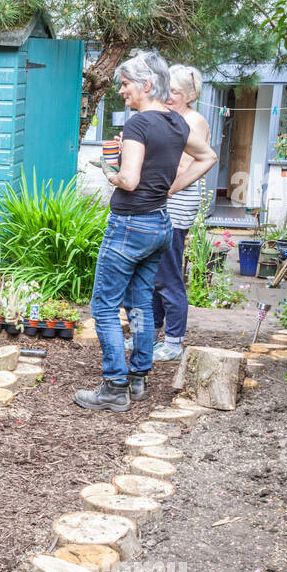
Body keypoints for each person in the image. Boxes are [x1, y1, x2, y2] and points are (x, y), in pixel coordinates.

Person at [74, 52, 217, 411]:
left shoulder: (139, 124)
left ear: (147, 84)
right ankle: (137, 377)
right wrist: (171, 188)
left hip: (128, 226)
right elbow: (208, 157)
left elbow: (129, 179)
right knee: (139, 304)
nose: (121, 91)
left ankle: (114, 386)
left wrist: (109, 170)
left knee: (104, 308)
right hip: (159, 224)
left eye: (125, 84)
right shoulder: (177, 123)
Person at [132, 64, 212, 362]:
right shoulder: (169, 117)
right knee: (151, 274)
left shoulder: (194, 121)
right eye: (168, 90)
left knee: (167, 275)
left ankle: (174, 342)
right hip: (158, 199)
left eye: (176, 92)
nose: (169, 97)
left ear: (189, 95)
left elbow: (182, 165)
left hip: (175, 204)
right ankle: (148, 336)